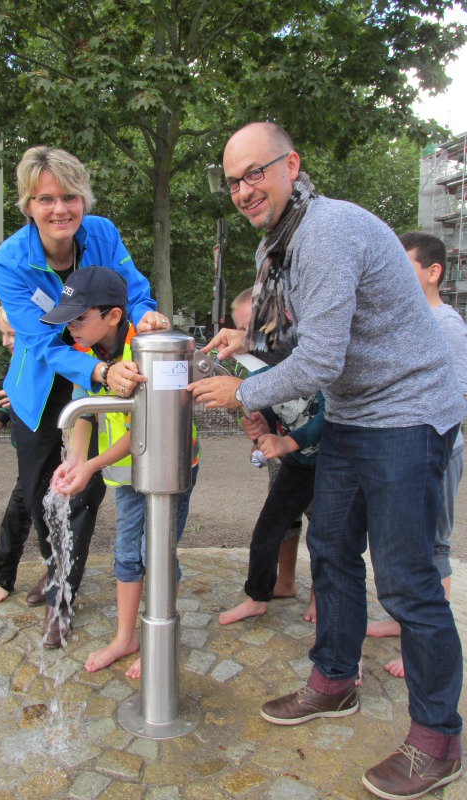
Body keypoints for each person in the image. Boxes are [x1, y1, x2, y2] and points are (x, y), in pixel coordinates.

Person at [189, 122, 464, 800]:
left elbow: (320, 359)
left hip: (405, 412)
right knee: (333, 550)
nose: (245, 189)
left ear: (292, 165)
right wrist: (247, 334)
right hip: (352, 413)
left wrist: (243, 389)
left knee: (406, 582)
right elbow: (298, 329)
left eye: (257, 172)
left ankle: (438, 740)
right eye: (233, 180)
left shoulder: (327, 233)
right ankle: (335, 679)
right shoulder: (276, 243)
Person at [0, 146, 167, 648]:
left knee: (83, 489)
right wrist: (98, 369)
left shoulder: (103, 234)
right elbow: (41, 343)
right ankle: (55, 575)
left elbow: (133, 292)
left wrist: (146, 316)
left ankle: (62, 593)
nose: (60, 209)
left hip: (109, 369)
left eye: (70, 196)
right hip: (43, 387)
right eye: (46, 199)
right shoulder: (9, 261)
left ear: (83, 200)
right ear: (28, 205)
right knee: (42, 488)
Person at [48, 266, 199, 677]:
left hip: (168, 467)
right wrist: (75, 461)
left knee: (157, 551)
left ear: (113, 316)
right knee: (126, 553)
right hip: (130, 474)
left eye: (79, 317)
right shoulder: (89, 353)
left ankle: (160, 636)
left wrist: (93, 465)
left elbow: (146, 432)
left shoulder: (146, 351)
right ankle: (126, 637)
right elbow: (84, 414)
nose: (71, 327)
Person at [367, 231, 467, 678]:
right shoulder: (409, 320)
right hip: (407, 450)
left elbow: (458, 393)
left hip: (436, 448)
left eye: (403, 266)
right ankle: (400, 621)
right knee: (407, 544)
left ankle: (420, 645)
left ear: (433, 272)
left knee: (432, 544)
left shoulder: (446, 324)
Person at [219, 288, 321, 625]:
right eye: (245, 331)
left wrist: (287, 443)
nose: (252, 341)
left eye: (257, 329)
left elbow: (331, 418)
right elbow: (260, 419)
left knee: (328, 537)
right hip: (297, 465)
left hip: (333, 463)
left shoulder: (312, 354)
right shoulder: (258, 372)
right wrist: (259, 431)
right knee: (268, 529)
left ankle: (322, 599)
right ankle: (257, 596)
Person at [0, 307, 33, 605]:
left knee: (26, 513)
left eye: (11, 334)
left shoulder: (41, 357)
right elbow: (12, 399)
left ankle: (55, 578)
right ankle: (3, 579)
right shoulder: (16, 360)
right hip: (26, 454)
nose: (5, 341)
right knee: (19, 514)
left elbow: (45, 401)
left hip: (52, 455)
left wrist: (22, 397)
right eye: (3, 334)